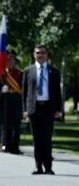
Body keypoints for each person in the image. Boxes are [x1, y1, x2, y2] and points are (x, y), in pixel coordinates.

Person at [23, 45, 63, 175]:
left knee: (47, 139)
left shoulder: (54, 71)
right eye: (38, 53)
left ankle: (49, 167)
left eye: (43, 53)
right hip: (34, 109)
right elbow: (24, 93)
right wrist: (24, 109)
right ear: (34, 54)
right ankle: (38, 166)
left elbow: (58, 92)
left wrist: (58, 109)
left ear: (47, 55)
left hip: (48, 108)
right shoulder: (28, 71)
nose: (40, 55)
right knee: (37, 139)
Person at [0, 48, 24, 155]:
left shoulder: (20, 73)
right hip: (5, 101)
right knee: (5, 124)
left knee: (16, 125)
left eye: (11, 59)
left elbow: (23, 89)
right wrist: (1, 89)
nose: (9, 61)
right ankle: (5, 144)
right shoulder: (2, 74)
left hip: (16, 101)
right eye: (7, 59)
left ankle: (15, 146)